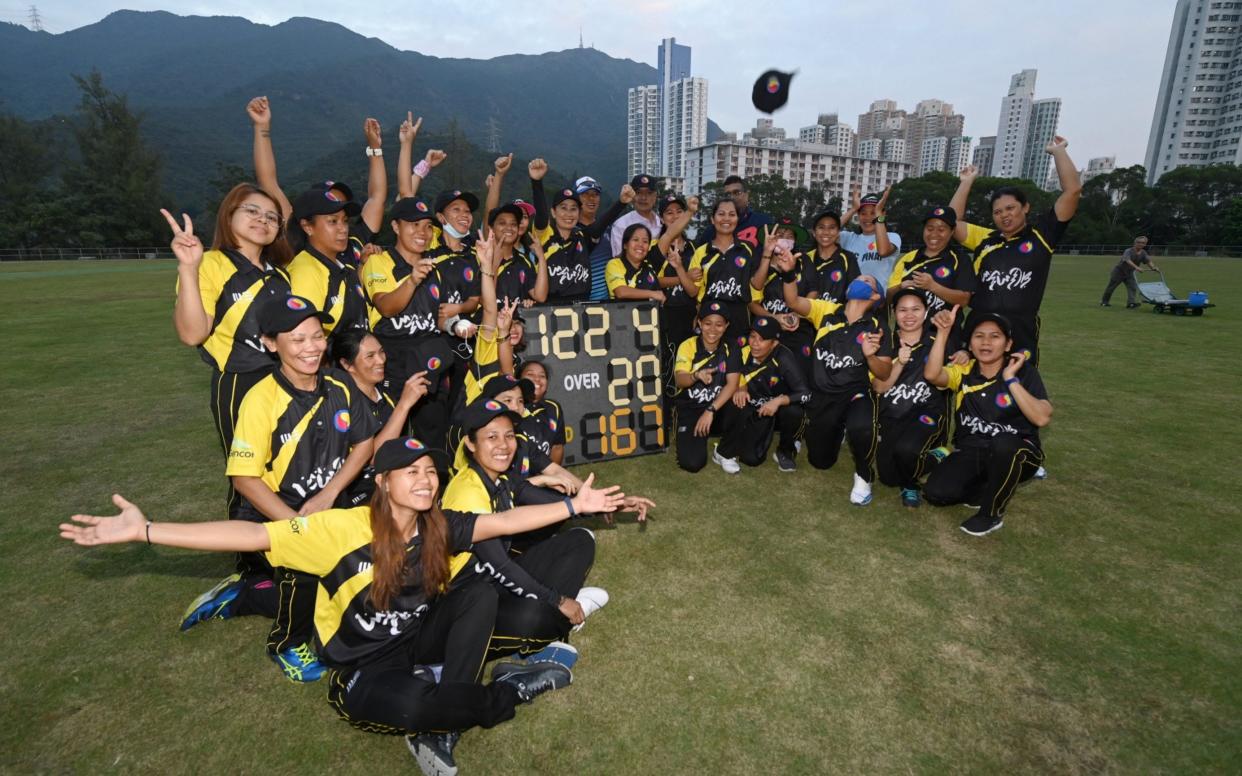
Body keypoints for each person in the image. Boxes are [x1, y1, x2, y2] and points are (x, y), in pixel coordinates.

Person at [60, 437, 627, 775]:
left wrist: (573, 505)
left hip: (419, 640)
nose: (426, 480)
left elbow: (501, 522)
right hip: (365, 666)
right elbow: (249, 537)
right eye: (412, 473)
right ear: (382, 482)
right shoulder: (338, 530)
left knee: (476, 593)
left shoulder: (439, 525)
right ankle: (507, 690)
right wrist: (149, 530)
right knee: (415, 709)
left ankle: (452, 703)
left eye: (431, 471)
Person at [184, 294, 380, 683]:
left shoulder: (340, 384)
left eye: (317, 337)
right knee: (304, 576)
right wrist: (295, 527)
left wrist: (328, 494)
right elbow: (244, 478)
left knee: (351, 583)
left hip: (328, 504)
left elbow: (364, 444)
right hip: (275, 509)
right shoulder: (261, 399)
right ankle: (286, 644)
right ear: (271, 343)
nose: (311, 348)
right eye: (297, 339)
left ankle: (250, 593)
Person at [166, 185, 292, 518]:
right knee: (250, 477)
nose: (262, 220)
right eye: (252, 211)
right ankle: (251, 567)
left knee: (288, 468)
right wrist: (188, 268)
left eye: (271, 217)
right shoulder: (211, 264)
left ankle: (289, 551)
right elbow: (193, 333)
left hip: (286, 383)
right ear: (229, 213)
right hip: (241, 382)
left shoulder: (279, 275)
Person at [947, 137, 1083, 365]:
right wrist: (966, 182)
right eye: (998, 212)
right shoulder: (985, 239)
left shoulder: (1042, 235)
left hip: (1020, 331)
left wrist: (1058, 151)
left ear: (1025, 207)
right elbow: (951, 221)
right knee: (973, 392)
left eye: (1010, 208)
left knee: (1017, 392)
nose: (1005, 215)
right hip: (979, 328)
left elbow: (1072, 191)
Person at [922, 306, 1053, 536]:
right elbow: (932, 375)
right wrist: (943, 333)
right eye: (979, 336)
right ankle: (987, 487)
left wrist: (1010, 380)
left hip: (1017, 451)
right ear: (970, 344)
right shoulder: (965, 369)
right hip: (974, 449)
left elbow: (1042, 417)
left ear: (1008, 344)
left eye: (995, 336)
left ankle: (991, 514)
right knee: (936, 493)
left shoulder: (1022, 372)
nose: (986, 343)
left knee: (1003, 444)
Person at [774, 255, 893, 505]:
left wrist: (871, 357)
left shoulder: (877, 326)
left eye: (867, 280)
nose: (859, 280)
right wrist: (788, 274)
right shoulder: (827, 312)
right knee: (821, 462)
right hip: (823, 396)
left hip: (855, 393)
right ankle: (837, 430)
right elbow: (793, 300)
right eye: (859, 277)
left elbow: (883, 374)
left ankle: (864, 475)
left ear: (875, 297)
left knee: (861, 426)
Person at [361, 196, 457, 449]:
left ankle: (436, 482)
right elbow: (386, 307)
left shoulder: (436, 270)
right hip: (392, 358)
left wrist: (457, 324)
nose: (422, 232)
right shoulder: (379, 261)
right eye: (413, 225)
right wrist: (412, 280)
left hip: (429, 358)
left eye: (427, 226)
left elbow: (442, 318)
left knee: (434, 430)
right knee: (393, 430)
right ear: (395, 227)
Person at [247, 96, 386, 267]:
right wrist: (262, 127)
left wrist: (375, 148)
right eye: (331, 215)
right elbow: (268, 182)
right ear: (308, 224)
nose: (341, 223)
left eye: (343, 210)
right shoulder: (298, 242)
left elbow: (377, 197)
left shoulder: (355, 241)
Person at [329, 330, 431, 506]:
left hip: (391, 485)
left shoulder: (386, 397)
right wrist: (404, 405)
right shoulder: (340, 404)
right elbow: (373, 458)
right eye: (370, 356)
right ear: (347, 365)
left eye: (381, 352)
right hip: (358, 495)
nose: (381, 360)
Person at [871, 289, 948, 508]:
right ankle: (935, 457)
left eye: (916, 309)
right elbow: (879, 387)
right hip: (893, 414)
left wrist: (963, 354)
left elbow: (955, 369)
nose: (909, 315)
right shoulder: (884, 342)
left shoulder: (938, 339)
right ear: (894, 313)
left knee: (906, 451)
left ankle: (911, 485)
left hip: (926, 412)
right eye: (902, 310)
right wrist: (900, 362)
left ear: (925, 312)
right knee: (887, 477)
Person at [529, 159, 631, 304]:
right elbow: (541, 215)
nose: (568, 214)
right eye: (563, 208)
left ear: (579, 212)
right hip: (550, 308)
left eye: (573, 209)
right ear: (553, 212)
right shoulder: (545, 236)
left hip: (583, 308)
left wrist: (621, 203)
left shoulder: (582, 237)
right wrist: (536, 182)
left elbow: (599, 226)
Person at [717, 315, 810, 473]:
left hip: (775, 408)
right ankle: (725, 448)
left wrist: (779, 401)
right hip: (753, 407)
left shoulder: (784, 357)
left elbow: (805, 393)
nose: (755, 343)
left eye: (762, 339)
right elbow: (731, 376)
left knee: (794, 411)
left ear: (774, 343)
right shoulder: (741, 350)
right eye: (753, 336)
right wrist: (741, 386)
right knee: (751, 459)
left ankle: (786, 450)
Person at [887, 205, 977, 346]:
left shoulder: (960, 259)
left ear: (952, 231)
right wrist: (900, 288)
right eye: (929, 228)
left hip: (944, 339)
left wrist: (932, 286)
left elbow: (964, 299)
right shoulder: (908, 258)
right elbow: (889, 297)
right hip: (906, 339)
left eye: (941, 229)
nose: (934, 234)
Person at [681, 199, 766, 348]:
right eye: (721, 214)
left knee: (737, 366)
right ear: (712, 219)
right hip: (710, 320)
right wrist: (678, 268)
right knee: (709, 366)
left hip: (739, 320)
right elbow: (692, 291)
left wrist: (767, 254)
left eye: (732, 214)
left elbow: (757, 286)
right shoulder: (701, 252)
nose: (726, 219)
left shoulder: (748, 249)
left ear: (737, 219)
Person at [671, 300, 742, 473]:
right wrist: (695, 376)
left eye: (719, 325)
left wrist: (710, 410)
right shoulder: (687, 345)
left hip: (715, 408)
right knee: (692, 464)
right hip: (691, 408)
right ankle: (694, 437)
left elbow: (732, 384)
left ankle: (724, 452)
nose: (712, 329)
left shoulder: (731, 346)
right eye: (708, 323)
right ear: (699, 323)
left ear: (726, 326)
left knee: (740, 403)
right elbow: (680, 380)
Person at [751, 218, 818, 379]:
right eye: (781, 235)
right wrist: (774, 318)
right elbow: (752, 299)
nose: (785, 240)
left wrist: (798, 315)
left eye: (790, 236)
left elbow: (814, 291)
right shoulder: (758, 261)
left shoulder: (803, 260)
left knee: (799, 372)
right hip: (766, 327)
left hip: (798, 327)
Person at [653, 194, 701, 381]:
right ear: (662, 218)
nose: (674, 216)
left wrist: (698, 312)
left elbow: (697, 286)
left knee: (687, 364)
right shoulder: (656, 247)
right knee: (665, 364)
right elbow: (652, 281)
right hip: (664, 313)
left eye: (679, 212)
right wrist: (683, 277)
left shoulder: (694, 248)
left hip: (688, 313)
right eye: (669, 213)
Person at [840, 188, 902, 290]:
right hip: (850, 298)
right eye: (863, 213)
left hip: (878, 300)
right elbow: (827, 230)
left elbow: (883, 251)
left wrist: (879, 216)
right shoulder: (848, 238)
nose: (868, 217)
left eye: (873, 213)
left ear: (882, 214)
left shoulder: (892, 237)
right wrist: (853, 209)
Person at [700, 175, 774, 249]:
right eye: (727, 194)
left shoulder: (764, 222)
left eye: (737, 192)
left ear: (746, 195)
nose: (732, 197)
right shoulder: (712, 231)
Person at [806, 210, 861, 305]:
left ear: (838, 233)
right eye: (821, 227)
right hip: (805, 318)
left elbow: (855, 294)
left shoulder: (848, 258)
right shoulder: (805, 259)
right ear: (814, 233)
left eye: (832, 227)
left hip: (837, 318)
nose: (826, 232)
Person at [518, 360, 566, 465]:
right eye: (530, 374)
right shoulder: (513, 407)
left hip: (544, 474)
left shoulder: (553, 408)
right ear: (518, 379)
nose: (537, 379)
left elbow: (557, 447)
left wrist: (553, 477)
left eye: (542, 376)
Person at [605, 224, 665, 304]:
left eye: (645, 241)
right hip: (622, 316)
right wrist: (653, 294)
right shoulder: (615, 264)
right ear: (625, 245)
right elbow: (621, 292)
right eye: (635, 240)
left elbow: (670, 234)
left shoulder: (650, 265)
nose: (640, 245)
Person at [608, 174, 662, 258]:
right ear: (631, 196)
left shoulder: (662, 222)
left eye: (649, 193)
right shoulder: (621, 225)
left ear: (655, 196)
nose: (643, 197)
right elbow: (618, 259)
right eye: (638, 193)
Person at [1101, 236, 1158, 308]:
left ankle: (1131, 303)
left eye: (1143, 243)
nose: (1140, 244)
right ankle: (1104, 302)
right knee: (1111, 287)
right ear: (1135, 243)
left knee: (1132, 287)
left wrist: (1153, 267)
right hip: (1119, 272)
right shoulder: (1128, 251)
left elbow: (1148, 261)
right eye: (1138, 242)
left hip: (1130, 273)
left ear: (1145, 244)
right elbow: (1127, 260)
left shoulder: (1143, 253)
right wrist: (1137, 267)